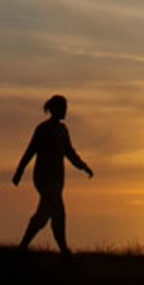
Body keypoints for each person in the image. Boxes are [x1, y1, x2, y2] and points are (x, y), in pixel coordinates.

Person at [12, 94, 94, 252]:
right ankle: (64, 250)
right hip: (44, 178)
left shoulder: (63, 130)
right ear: (54, 109)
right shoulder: (42, 129)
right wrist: (19, 172)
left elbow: (70, 152)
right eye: (63, 108)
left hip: (57, 179)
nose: (65, 111)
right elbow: (30, 151)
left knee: (43, 215)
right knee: (58, 212)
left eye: (66, 108)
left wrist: (83, 167)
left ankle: (22, 248)